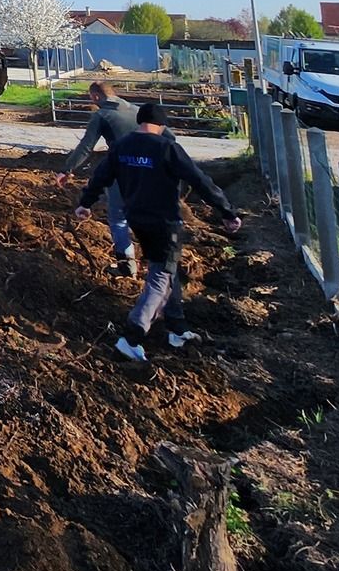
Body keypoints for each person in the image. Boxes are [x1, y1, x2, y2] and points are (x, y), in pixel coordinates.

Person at [77, 102, 242, 362]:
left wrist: (85, 203)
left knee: (167, 268)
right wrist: (227, 212)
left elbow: (101, 176)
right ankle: (131, 337)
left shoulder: (121, 146)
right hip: (164, 222)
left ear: (139, 121)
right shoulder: (167, 148)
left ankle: (177, 328)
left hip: (137, 220)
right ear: (162, 124)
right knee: (161, 276)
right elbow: (199, 180)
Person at [57, 82, 142, 279]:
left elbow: (86, 147)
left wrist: (66, 169)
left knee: (119, 219)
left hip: (121, 171)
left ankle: (127, 269)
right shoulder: (137, 111)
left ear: (95, 97)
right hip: (150, 172)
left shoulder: (102, 115)